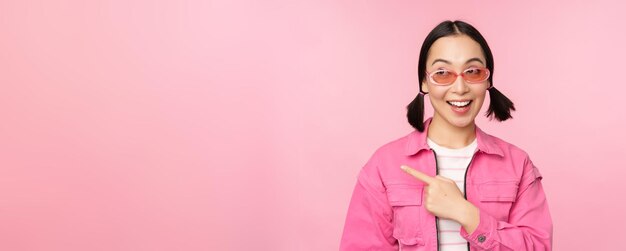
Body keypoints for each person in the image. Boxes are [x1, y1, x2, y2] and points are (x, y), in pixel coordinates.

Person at [339, 20, 553, 251]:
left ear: (488, 80)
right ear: (424, 81)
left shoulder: (517, 164)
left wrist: (466, 213)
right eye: (442, 73)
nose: (460, 88)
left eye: (472, 71)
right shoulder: (384, 165)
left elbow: (538, 247)